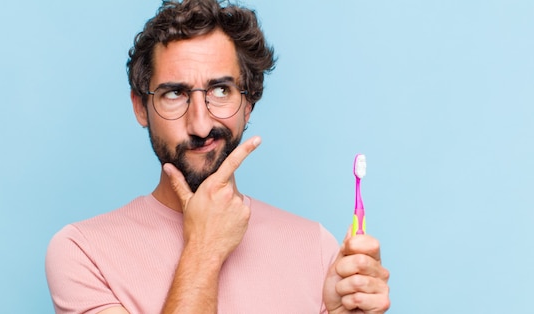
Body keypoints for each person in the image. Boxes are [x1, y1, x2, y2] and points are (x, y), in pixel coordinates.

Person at [45, 0, 390, 313]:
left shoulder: (315, 247)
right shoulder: (82, 252)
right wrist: (204, 251)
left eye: (221, 90)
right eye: (175, 93)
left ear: (249, 103)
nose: (200, 124)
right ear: (141, 107)